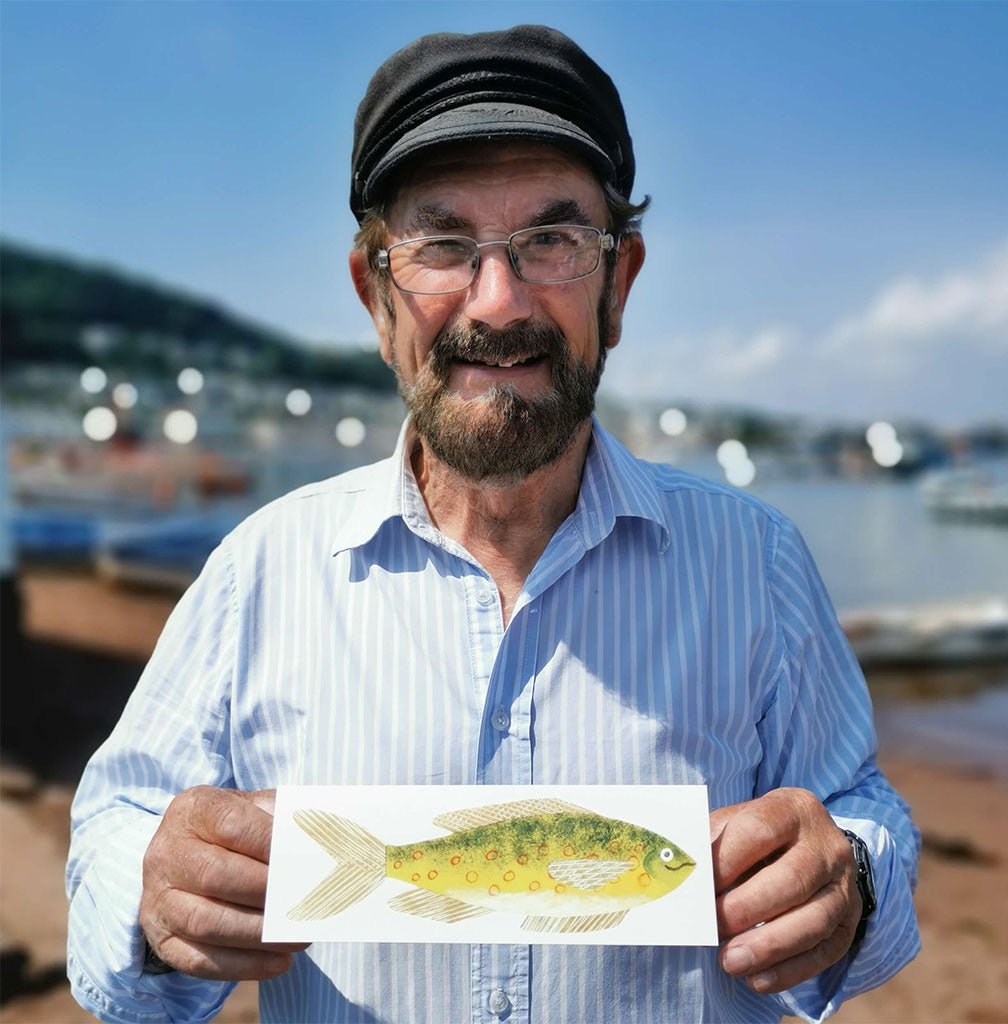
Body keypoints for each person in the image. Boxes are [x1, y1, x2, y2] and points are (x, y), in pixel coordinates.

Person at [66, 24, 919, 1024]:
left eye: (552, 242)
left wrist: (848, 880)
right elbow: (111, 828)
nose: (499, 301)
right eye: (442, 245)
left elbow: (857, 808)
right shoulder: (261, 569)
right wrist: (151, 887)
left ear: (620, 282)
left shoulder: (756, 562)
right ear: (374, 296)